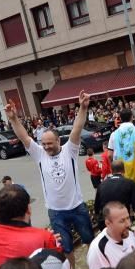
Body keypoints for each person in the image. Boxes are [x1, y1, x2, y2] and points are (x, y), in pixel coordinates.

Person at [7, 92, 95, 255]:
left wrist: (83, 107)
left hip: (77, 206)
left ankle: (95, 265)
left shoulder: (70, 150)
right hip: (56, 211)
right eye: (43, 143)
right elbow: (24, 136)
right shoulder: (39, 154)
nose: (46, 147)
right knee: (65, 248)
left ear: (58, 141)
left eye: (49, 143)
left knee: (89, 239)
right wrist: (13, 119)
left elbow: (77, 128)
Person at [86, 201, 135, 269]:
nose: (128, 224)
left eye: (128, 218)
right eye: (122, 221)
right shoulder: (98, 250)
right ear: (108, 223)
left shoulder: (128, 233)